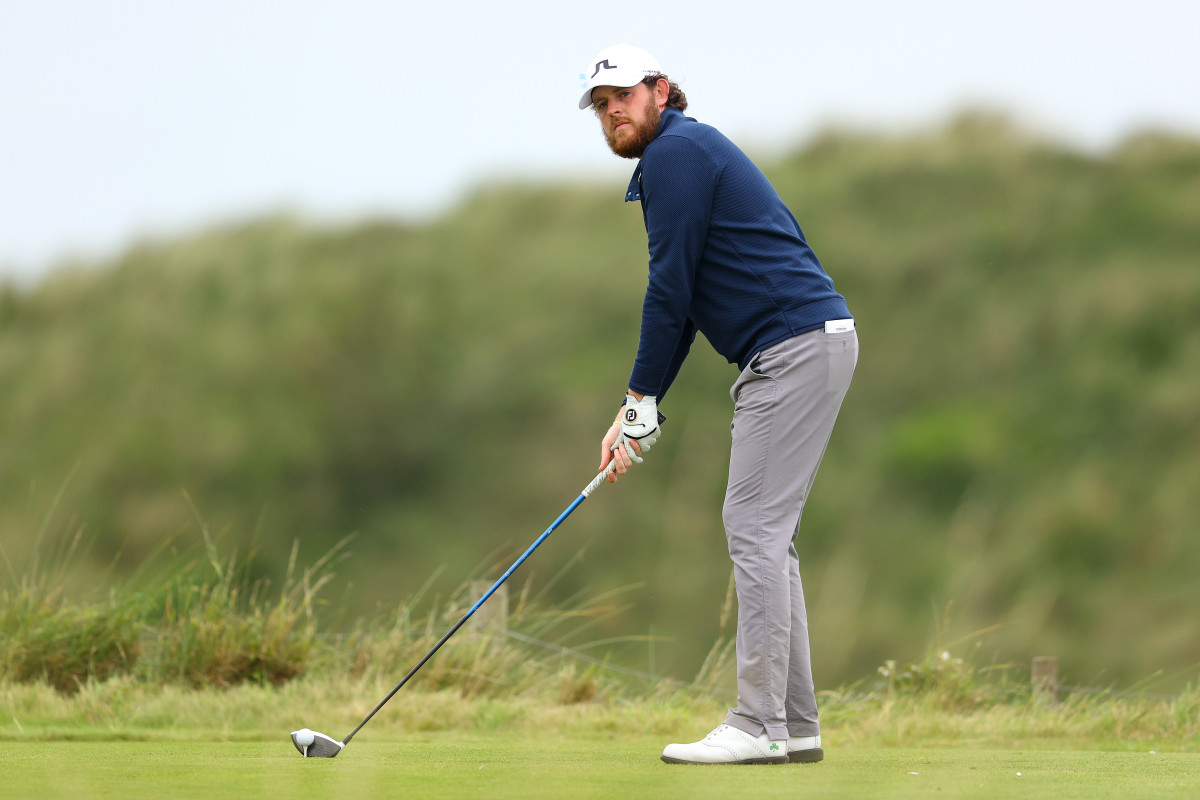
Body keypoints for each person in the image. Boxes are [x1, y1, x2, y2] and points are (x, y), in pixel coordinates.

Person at [580, 44, 858, 765]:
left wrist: (639, 399)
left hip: (791, 346)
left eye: (623, 96)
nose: (612, 112)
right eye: (601, 104)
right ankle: (793, 724)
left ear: (660, 90)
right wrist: (639, 407)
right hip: (809, 343)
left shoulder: (674, 153)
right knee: (768, 533)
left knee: (753, 526)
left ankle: (758, 724)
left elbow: (667, 288)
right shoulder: (680, 153)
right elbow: (685, 304)